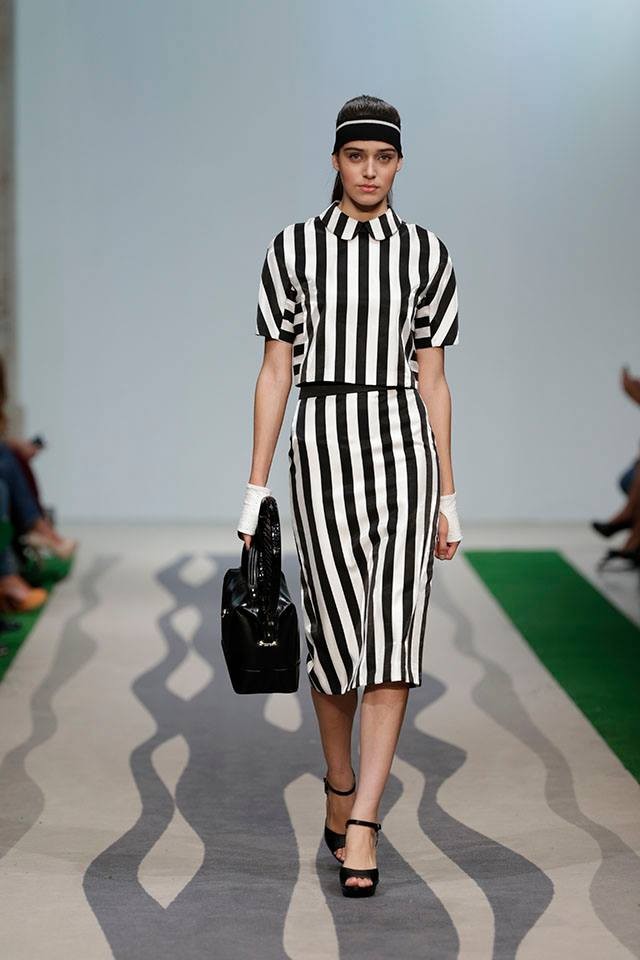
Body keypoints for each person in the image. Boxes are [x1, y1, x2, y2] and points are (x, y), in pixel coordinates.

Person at [237, 95, 462, 898]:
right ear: (335, 160)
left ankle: (364, 816)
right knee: (333, 641)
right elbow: (276, 371)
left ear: (399, 163)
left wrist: (448, 494)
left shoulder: (428, 254)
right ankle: (339, 782)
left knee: (394, 635)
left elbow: (434, 381)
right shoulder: (293, 248)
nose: (370, 171)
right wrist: (256, 486)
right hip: (324, 444)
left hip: (404, 448)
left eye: (384, 157)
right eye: (356, 156)